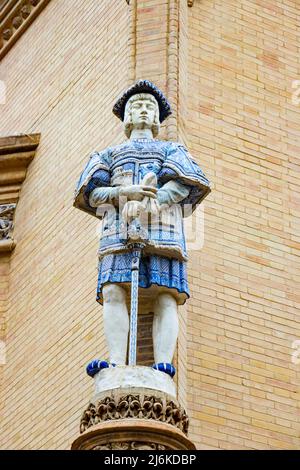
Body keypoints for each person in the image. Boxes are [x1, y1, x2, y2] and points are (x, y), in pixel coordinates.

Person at [74, 80, 210, 378]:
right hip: (118, 228)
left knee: (166, 293)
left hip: (162, 227)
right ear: (127, 117)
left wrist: (156, 201)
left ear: (158, 119)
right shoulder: (108, 155)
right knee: (112, 290)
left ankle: (162, 361)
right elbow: (90, 193)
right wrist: (127, 193)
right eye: (137, 106)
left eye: (150, 106)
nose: (144, 110)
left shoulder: (171, 149)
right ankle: (116, 361)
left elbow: (187, 181)